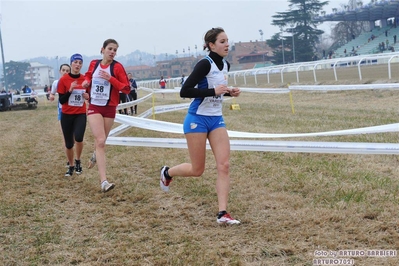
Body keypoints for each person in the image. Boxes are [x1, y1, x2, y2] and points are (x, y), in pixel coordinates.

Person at [159, 27, 241, 225]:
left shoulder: (226, 65)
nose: (227, 44)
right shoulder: (205, 64)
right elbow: (185, 91)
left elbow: (216, 91)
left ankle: (222, 213)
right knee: (197, 170)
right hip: (197, 118)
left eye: (227, 40)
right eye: (222, 41)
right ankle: (167, 173)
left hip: (216, 119)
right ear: (211, 45)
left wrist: (229, 92)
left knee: (224, 165)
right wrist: (214, 91)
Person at [82, 38, 130, 193]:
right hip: (95, 106)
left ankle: (96, 155)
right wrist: (86, 84)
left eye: (115, 50)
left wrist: (111, 79)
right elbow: (88, 76)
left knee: (102, 141)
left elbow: (126, 88)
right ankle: (104, 182)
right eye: (110, 49)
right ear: (102, 50)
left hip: (109, 108)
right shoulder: (94, 64)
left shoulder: (117, 67)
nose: (113, 52)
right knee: (101, 141)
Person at [57, 54, 89, 177]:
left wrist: (87, 96)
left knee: (79, 137)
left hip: (80, 114)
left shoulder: (84, 79)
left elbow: (88, 94)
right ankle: (71, 165)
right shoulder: (63, 80)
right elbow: (61, 101)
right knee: (69, 144)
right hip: (67, 115)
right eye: (75, 62)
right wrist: (70, 90)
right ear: (71, 64)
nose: (78, 65)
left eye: (80, 63)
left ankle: (78, 160)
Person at [49, 63, 72, 168]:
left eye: (68, 71)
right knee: (65, 137)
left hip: (74, 111)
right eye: (64, 70)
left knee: (74, 137)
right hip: (62, 111)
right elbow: (52, 93)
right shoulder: (56, 83)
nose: (65, 72)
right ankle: (69, 160)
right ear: (60, 71)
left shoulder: (73, 82)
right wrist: (52, 96)